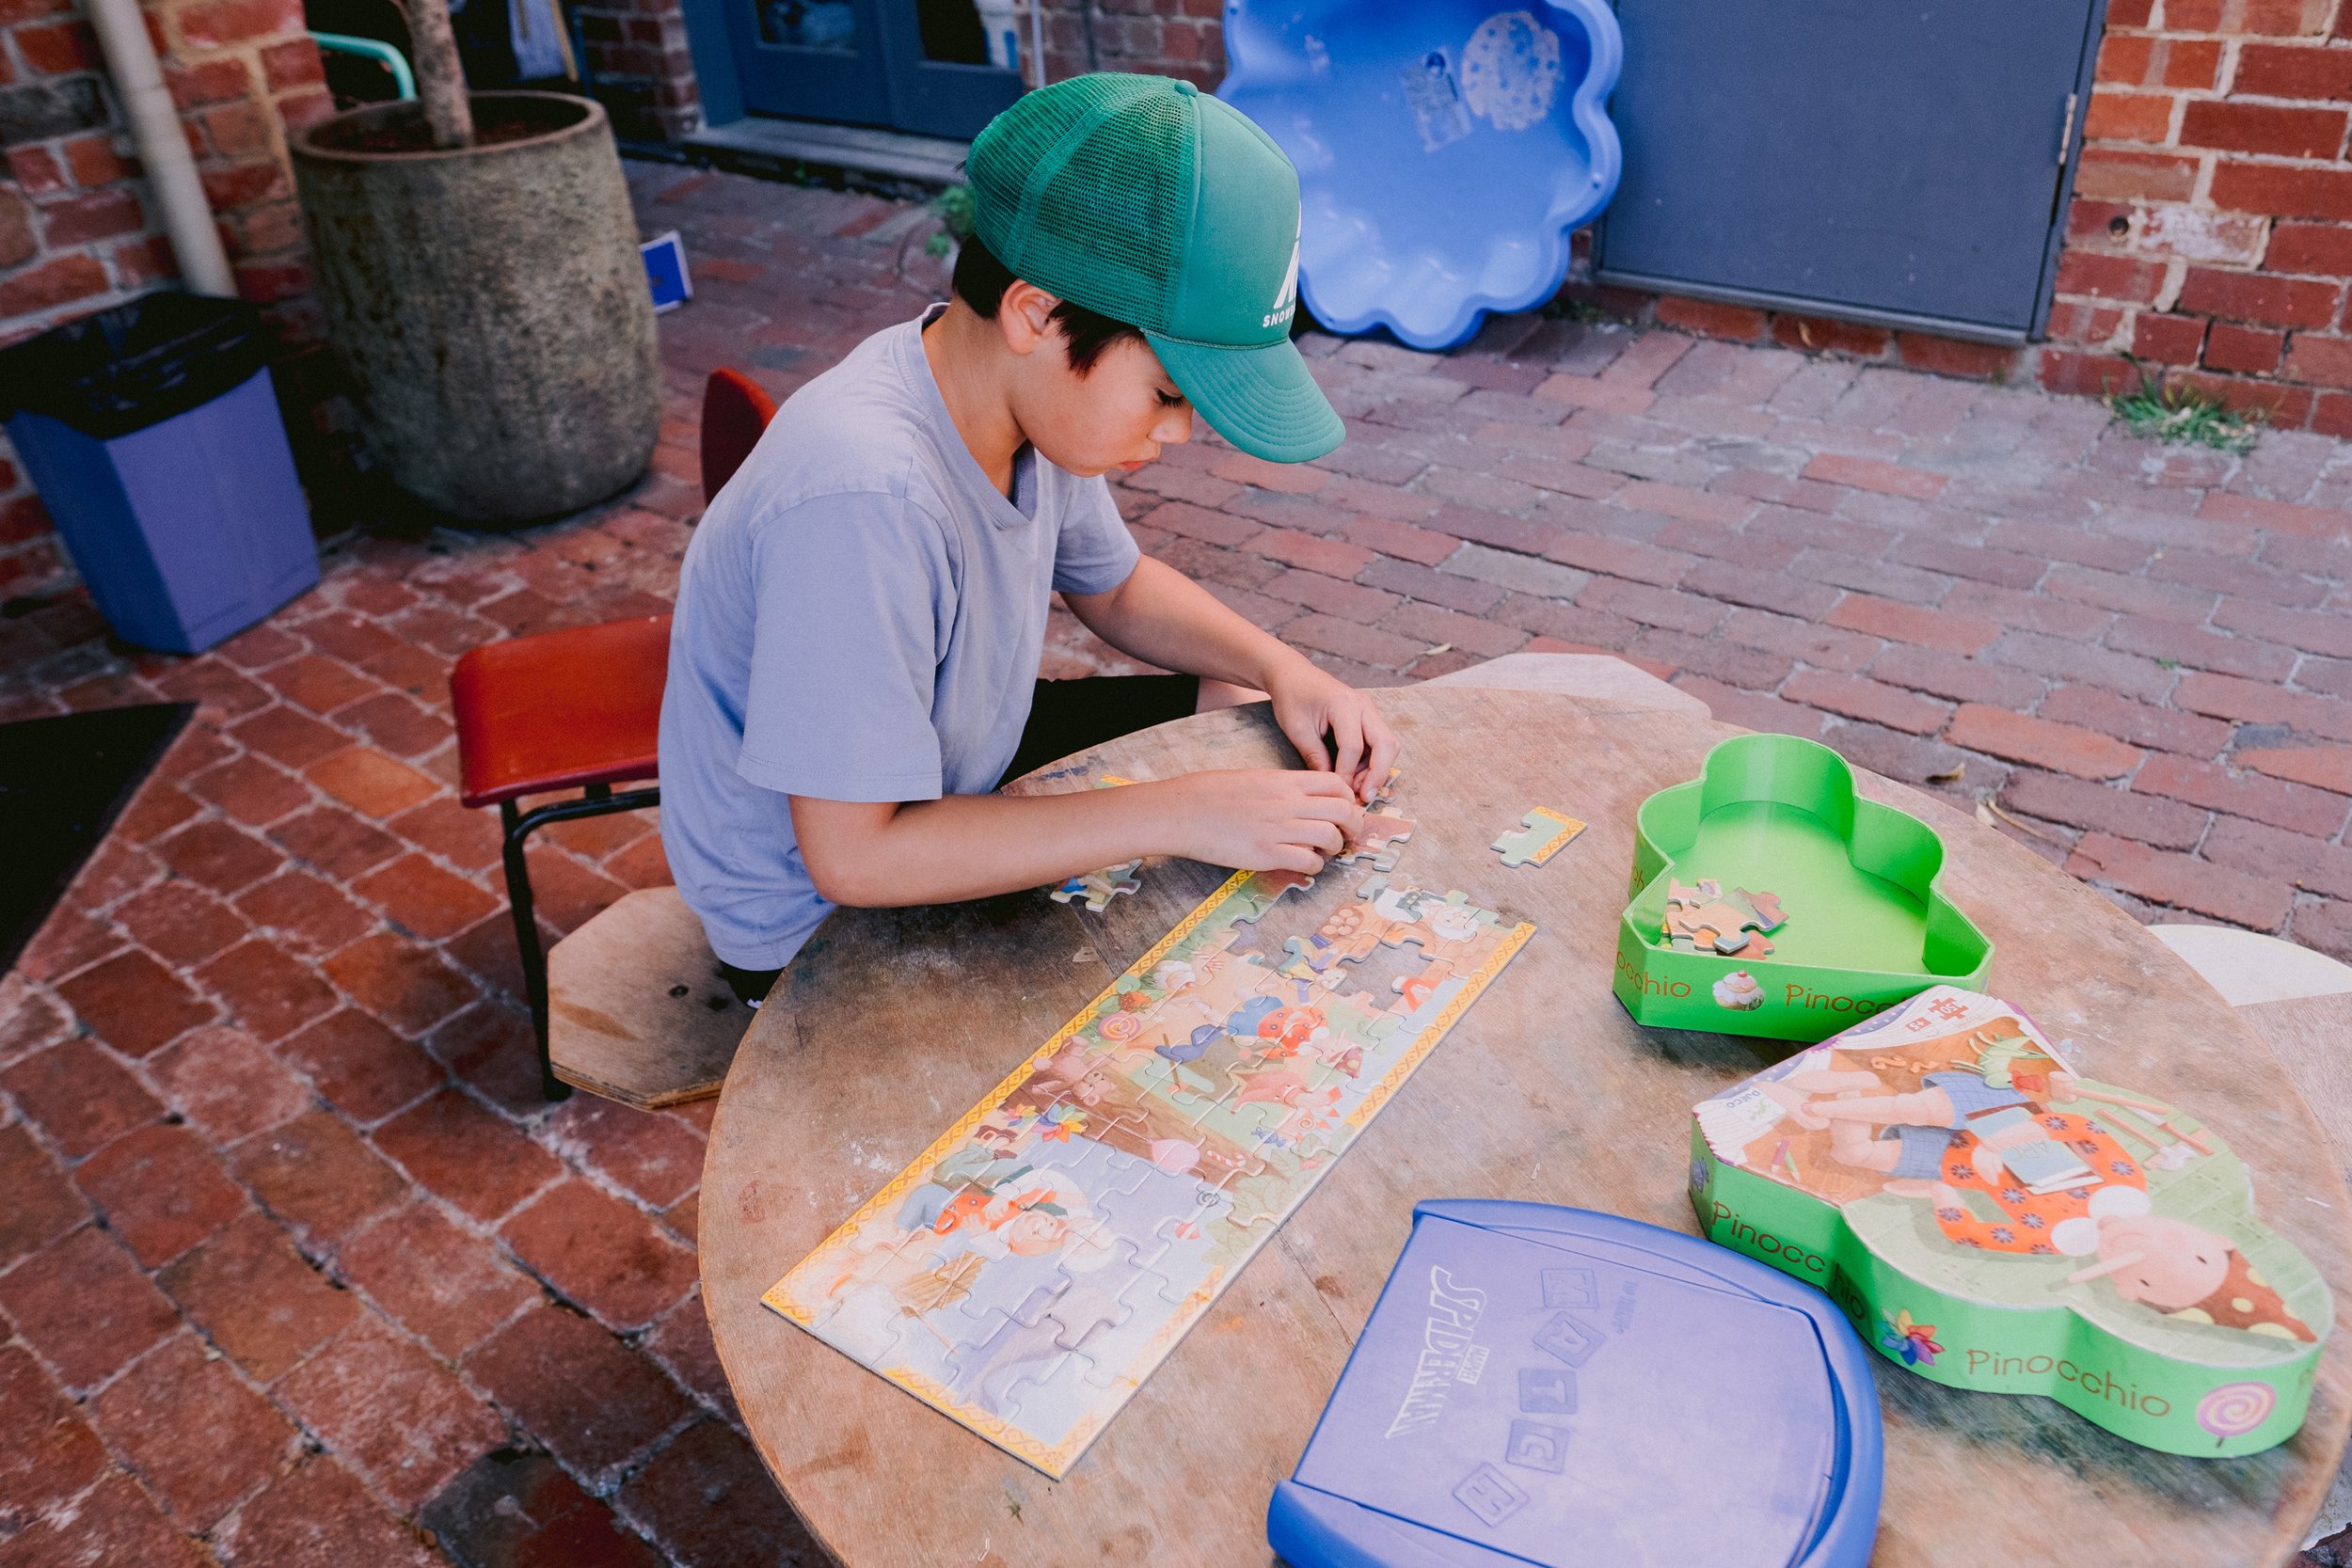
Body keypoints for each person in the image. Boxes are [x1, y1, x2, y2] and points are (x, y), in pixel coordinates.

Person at [660, 72, 1396, 1006]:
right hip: (817, 912)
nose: (1176, 435)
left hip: (956, 747)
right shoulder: (864, 491)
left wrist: (1289, 666)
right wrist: (1175, 813)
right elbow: (851, 857)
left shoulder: (1012, 397)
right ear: (1036, 313)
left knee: (1241, 703)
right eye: (1169, 397)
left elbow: (1116, 587)